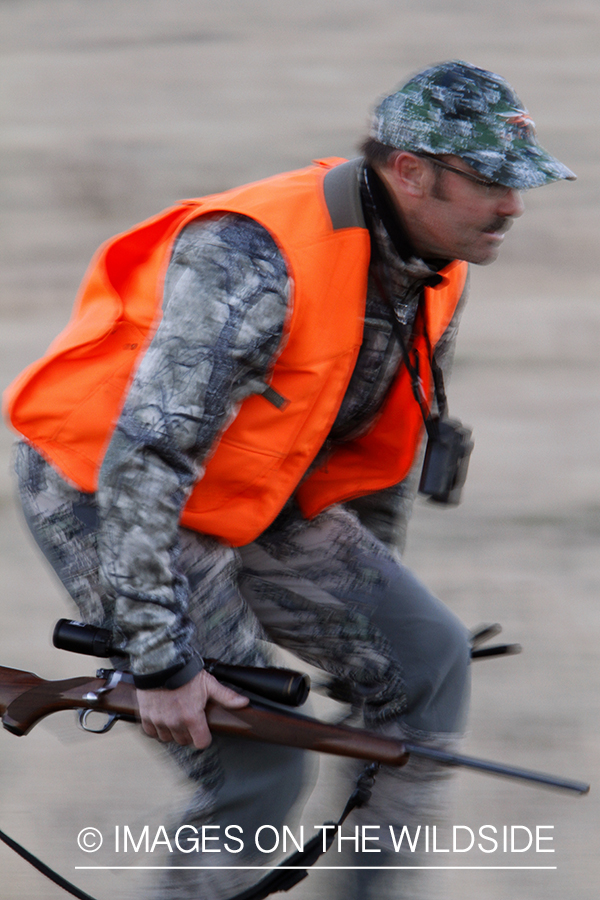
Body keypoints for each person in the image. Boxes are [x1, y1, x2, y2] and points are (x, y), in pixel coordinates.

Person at [4, 61, 574, 900]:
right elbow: (145, 460)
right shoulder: (252, 254)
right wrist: (162, 664)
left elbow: (380, 451)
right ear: (409, 171)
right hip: (111, 493)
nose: (513, 206)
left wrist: (362, 632)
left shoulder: (432, 267)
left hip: (254, 486)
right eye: (491, 181)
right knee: (258, 765)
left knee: (429, 661)